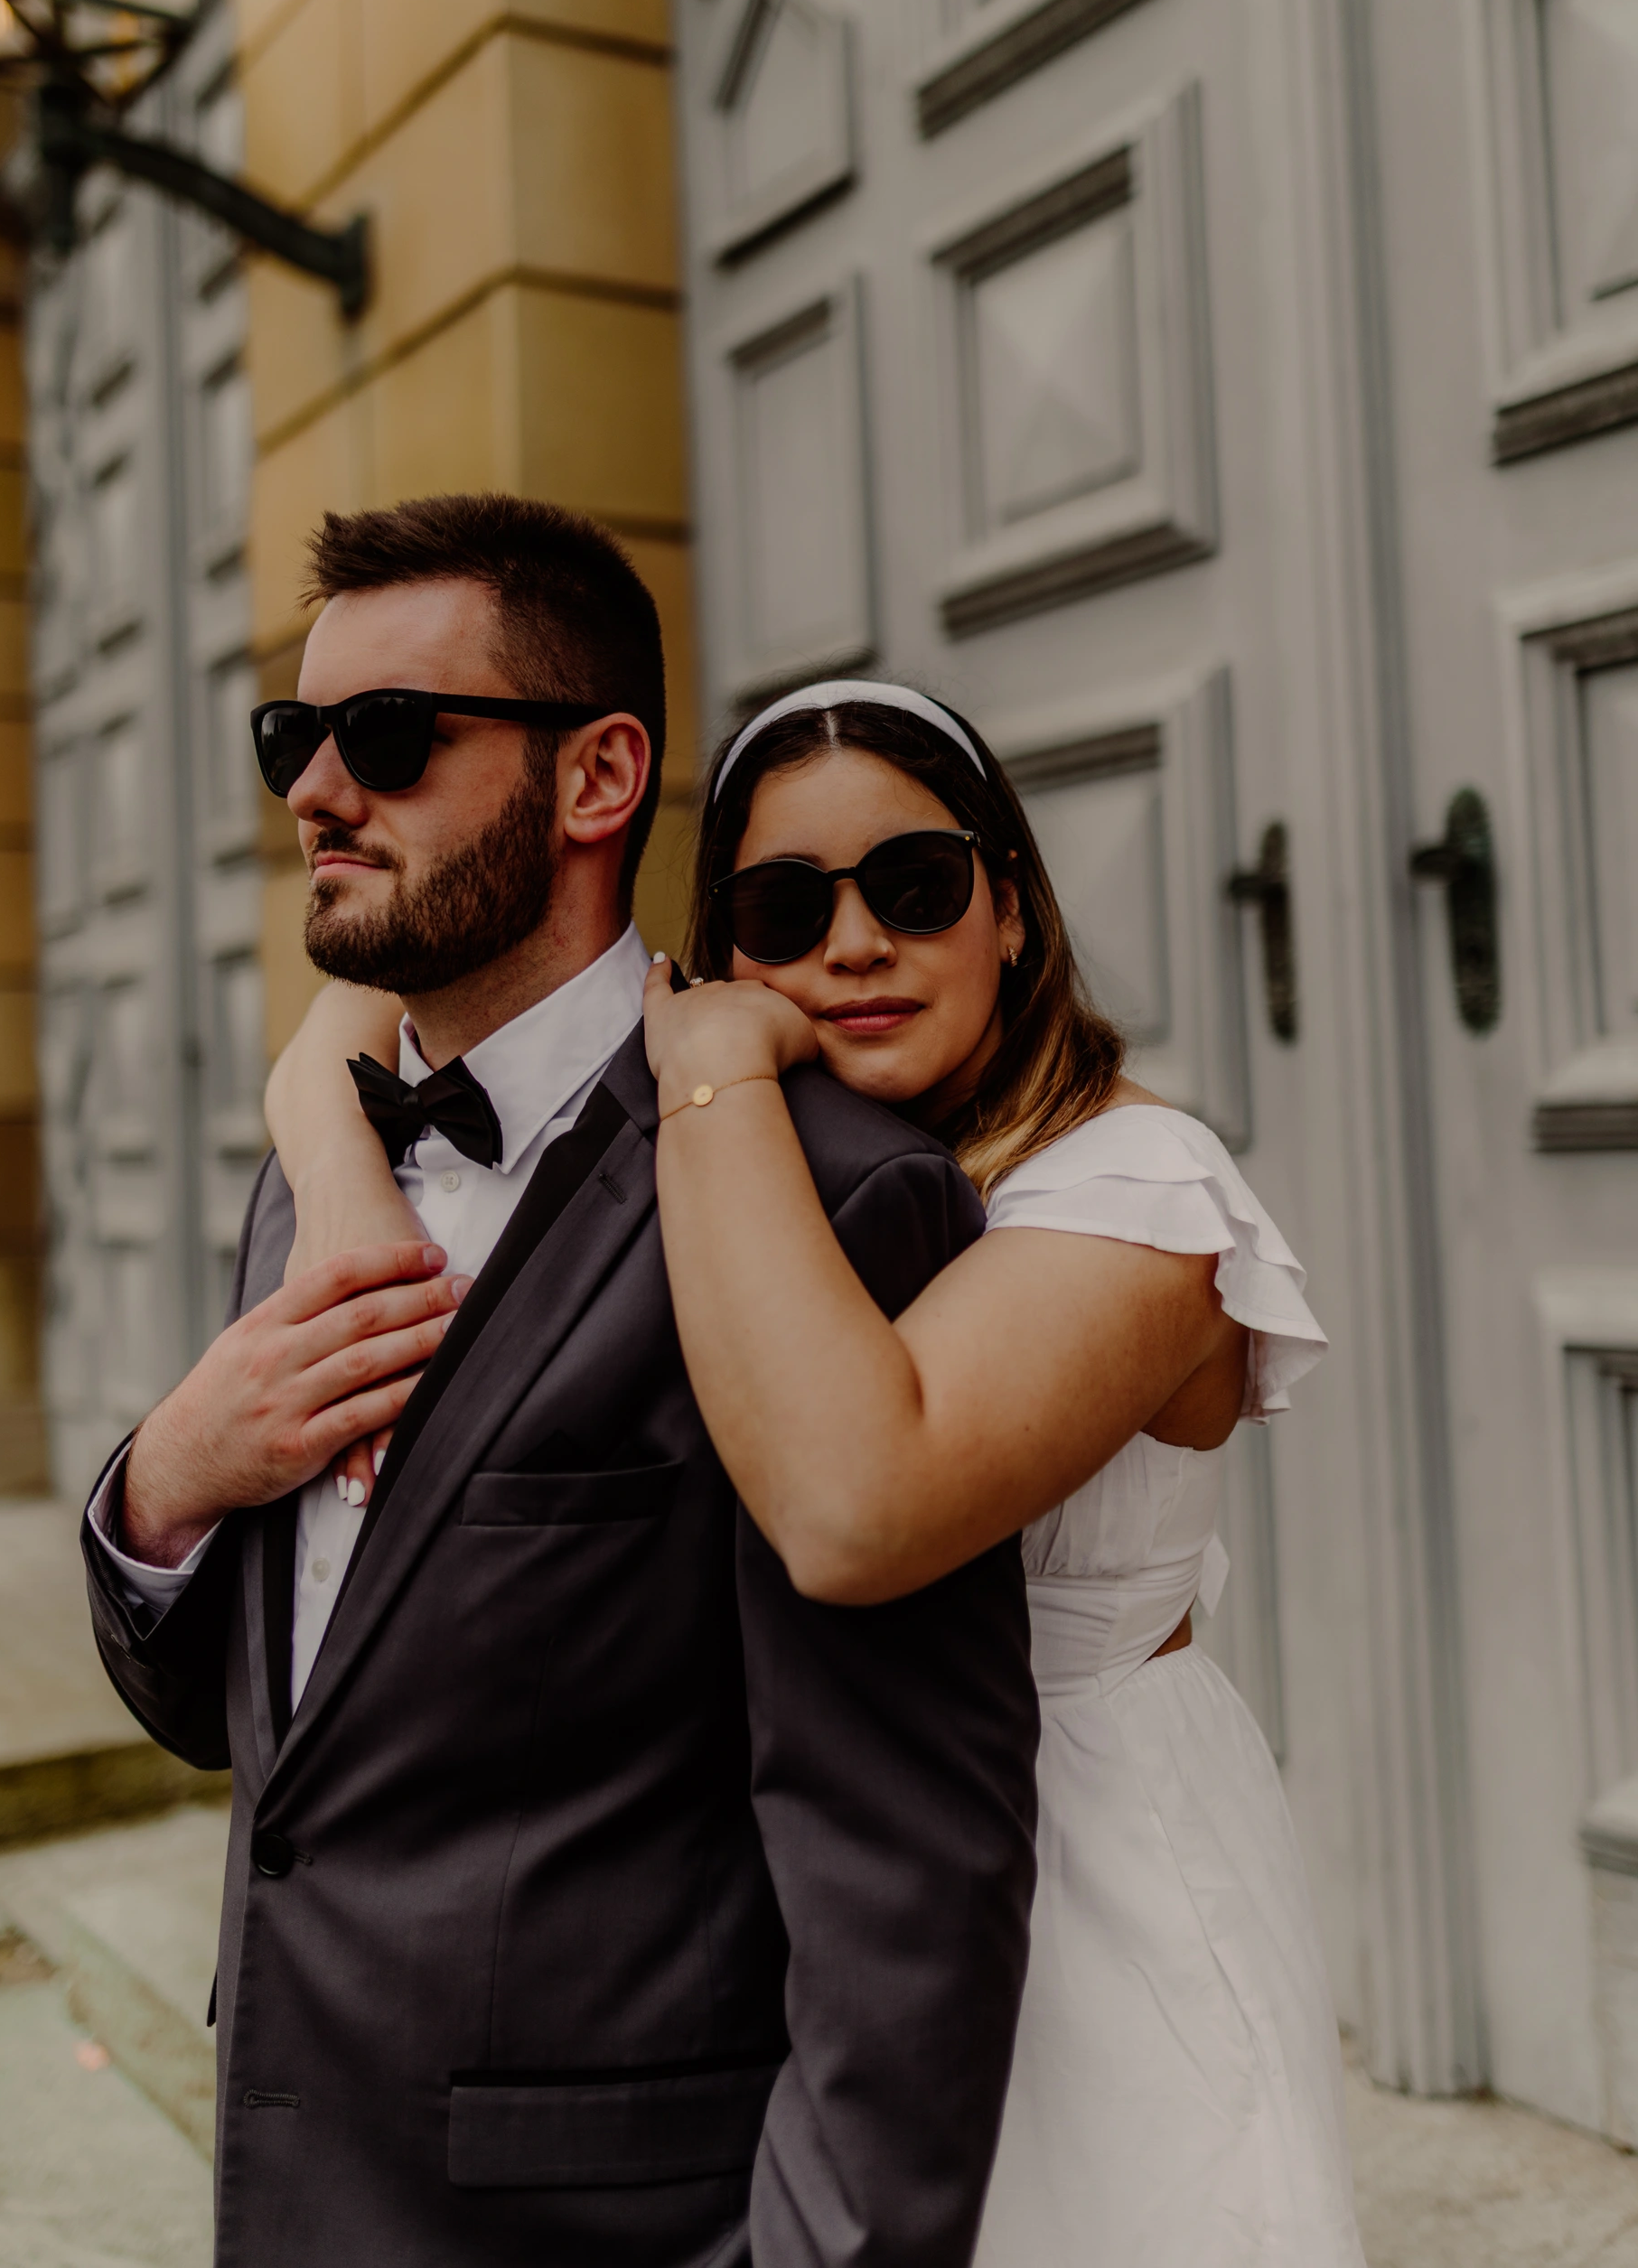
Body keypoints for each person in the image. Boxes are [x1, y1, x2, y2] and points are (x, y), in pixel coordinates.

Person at [275, 675, 1369, 2268]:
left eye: (915, 890)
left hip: (1085, 1888)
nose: (856, 946)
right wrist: (333, 1168)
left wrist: (709, 1076)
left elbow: (857, 1510)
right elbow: (342, 1021)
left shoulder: (1141, 1188)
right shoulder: (809, 1158)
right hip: (795, 1896)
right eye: (787, 910)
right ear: (725, 945)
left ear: (1011, 909)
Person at [80, 511, 1040, 2268]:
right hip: (297, 2185)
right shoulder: (309, 1180)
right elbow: (272, 1739)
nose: (311, 793)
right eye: (295, 741)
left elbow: (902, 1868)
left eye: (389, 737)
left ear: (599, 775)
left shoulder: (827, 1196)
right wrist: (161, 1494)